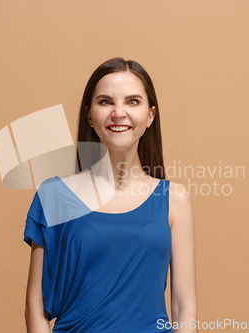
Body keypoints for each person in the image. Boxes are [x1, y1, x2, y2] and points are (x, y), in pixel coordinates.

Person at [24, 57, 198, 332]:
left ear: (151, 115)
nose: (119, 112)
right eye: (106, 102)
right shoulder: (55, 195)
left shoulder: (174, 198)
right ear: (89, 115)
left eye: (132, 101)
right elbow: (36, 305)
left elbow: (183, 306)